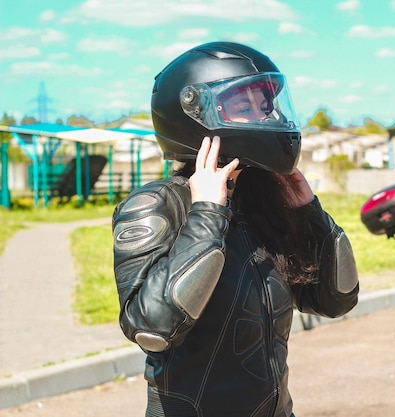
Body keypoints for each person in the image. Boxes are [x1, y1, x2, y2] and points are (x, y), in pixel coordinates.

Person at [112, 41, 359, 417]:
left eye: (267, 106)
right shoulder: (156, 205)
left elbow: (334, 299)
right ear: (195, 114)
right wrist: (208, 213)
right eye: (247, 108)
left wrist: (309, 212)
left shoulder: (260, 202)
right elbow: (152, 328)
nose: (269, 118)